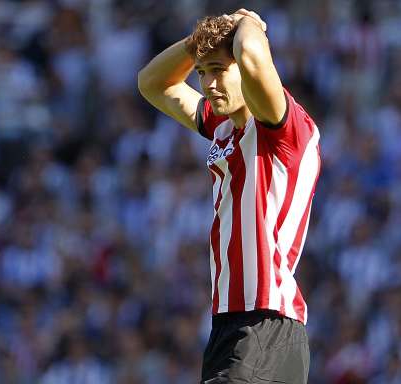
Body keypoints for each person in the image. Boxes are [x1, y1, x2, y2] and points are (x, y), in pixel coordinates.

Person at [138, 8, 320, 384]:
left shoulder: (282, 128)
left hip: (265, 323)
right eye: (202, 72)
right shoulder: (224, 126)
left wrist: (248, 22)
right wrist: (199, 44)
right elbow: (153, 84)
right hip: (230, 325)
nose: (207, 84)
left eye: (218, 69)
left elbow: (252, 55)